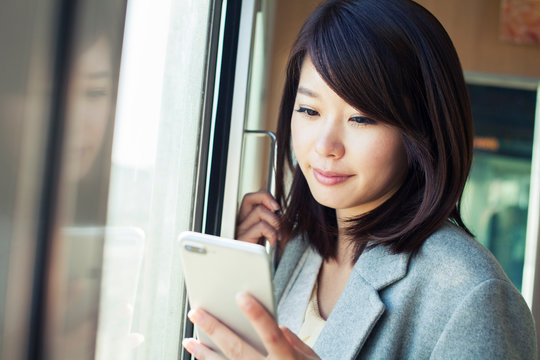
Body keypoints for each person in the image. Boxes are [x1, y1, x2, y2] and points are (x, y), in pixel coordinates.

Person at [183, 0, 538, 358]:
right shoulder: (295, 248)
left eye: (362, 118)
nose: (325, 146)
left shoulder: (471, 293)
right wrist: (236, 285)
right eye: (309, 110)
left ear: (423, 130)